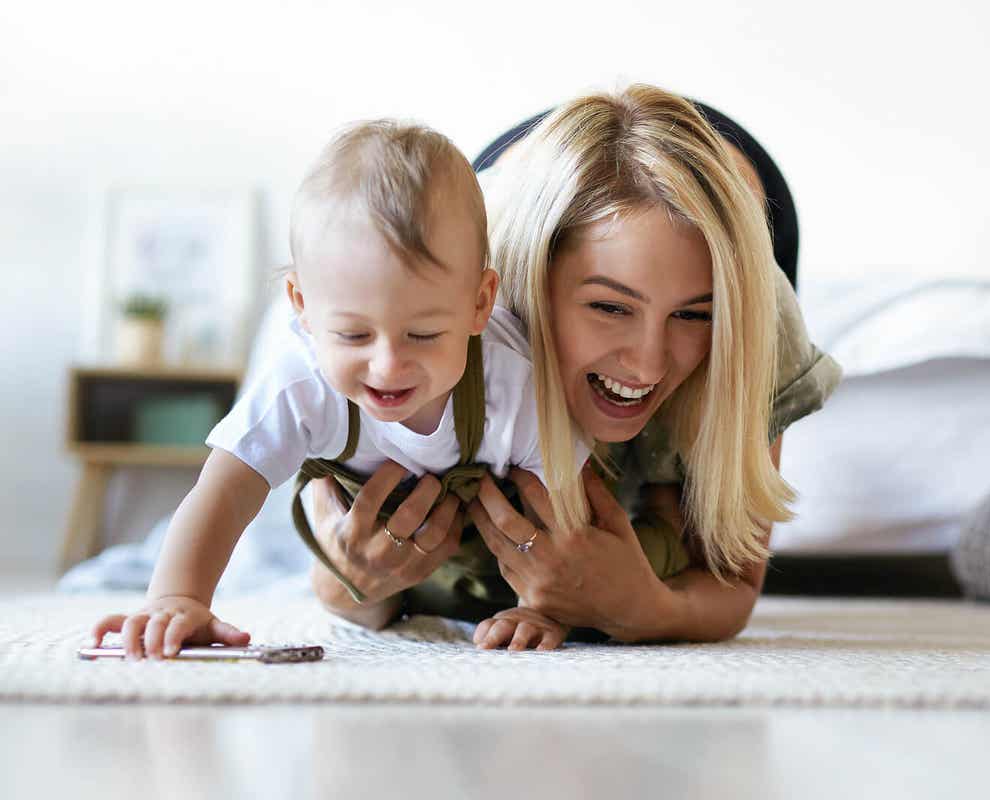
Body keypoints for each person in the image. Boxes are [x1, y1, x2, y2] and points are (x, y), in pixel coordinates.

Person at [307, 84, 843, 648]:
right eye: (610, 307)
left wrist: (647, 607)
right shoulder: (445, 304)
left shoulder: (757, 312)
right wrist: (345, 583)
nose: (647, 362)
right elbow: (341, 572)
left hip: (731, 172)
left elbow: (729, 584)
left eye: (692, 315)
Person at [89, 119, 595, 659]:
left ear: (479, 302)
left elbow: (566, 511)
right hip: (363, 538)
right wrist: (178, 596)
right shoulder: (300, 382)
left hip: (491, 540)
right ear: (302, 306)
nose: (387, 365)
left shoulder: (511, 384)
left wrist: (543, 607)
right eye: (353, 334)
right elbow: (224, 490)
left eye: (423, 334)